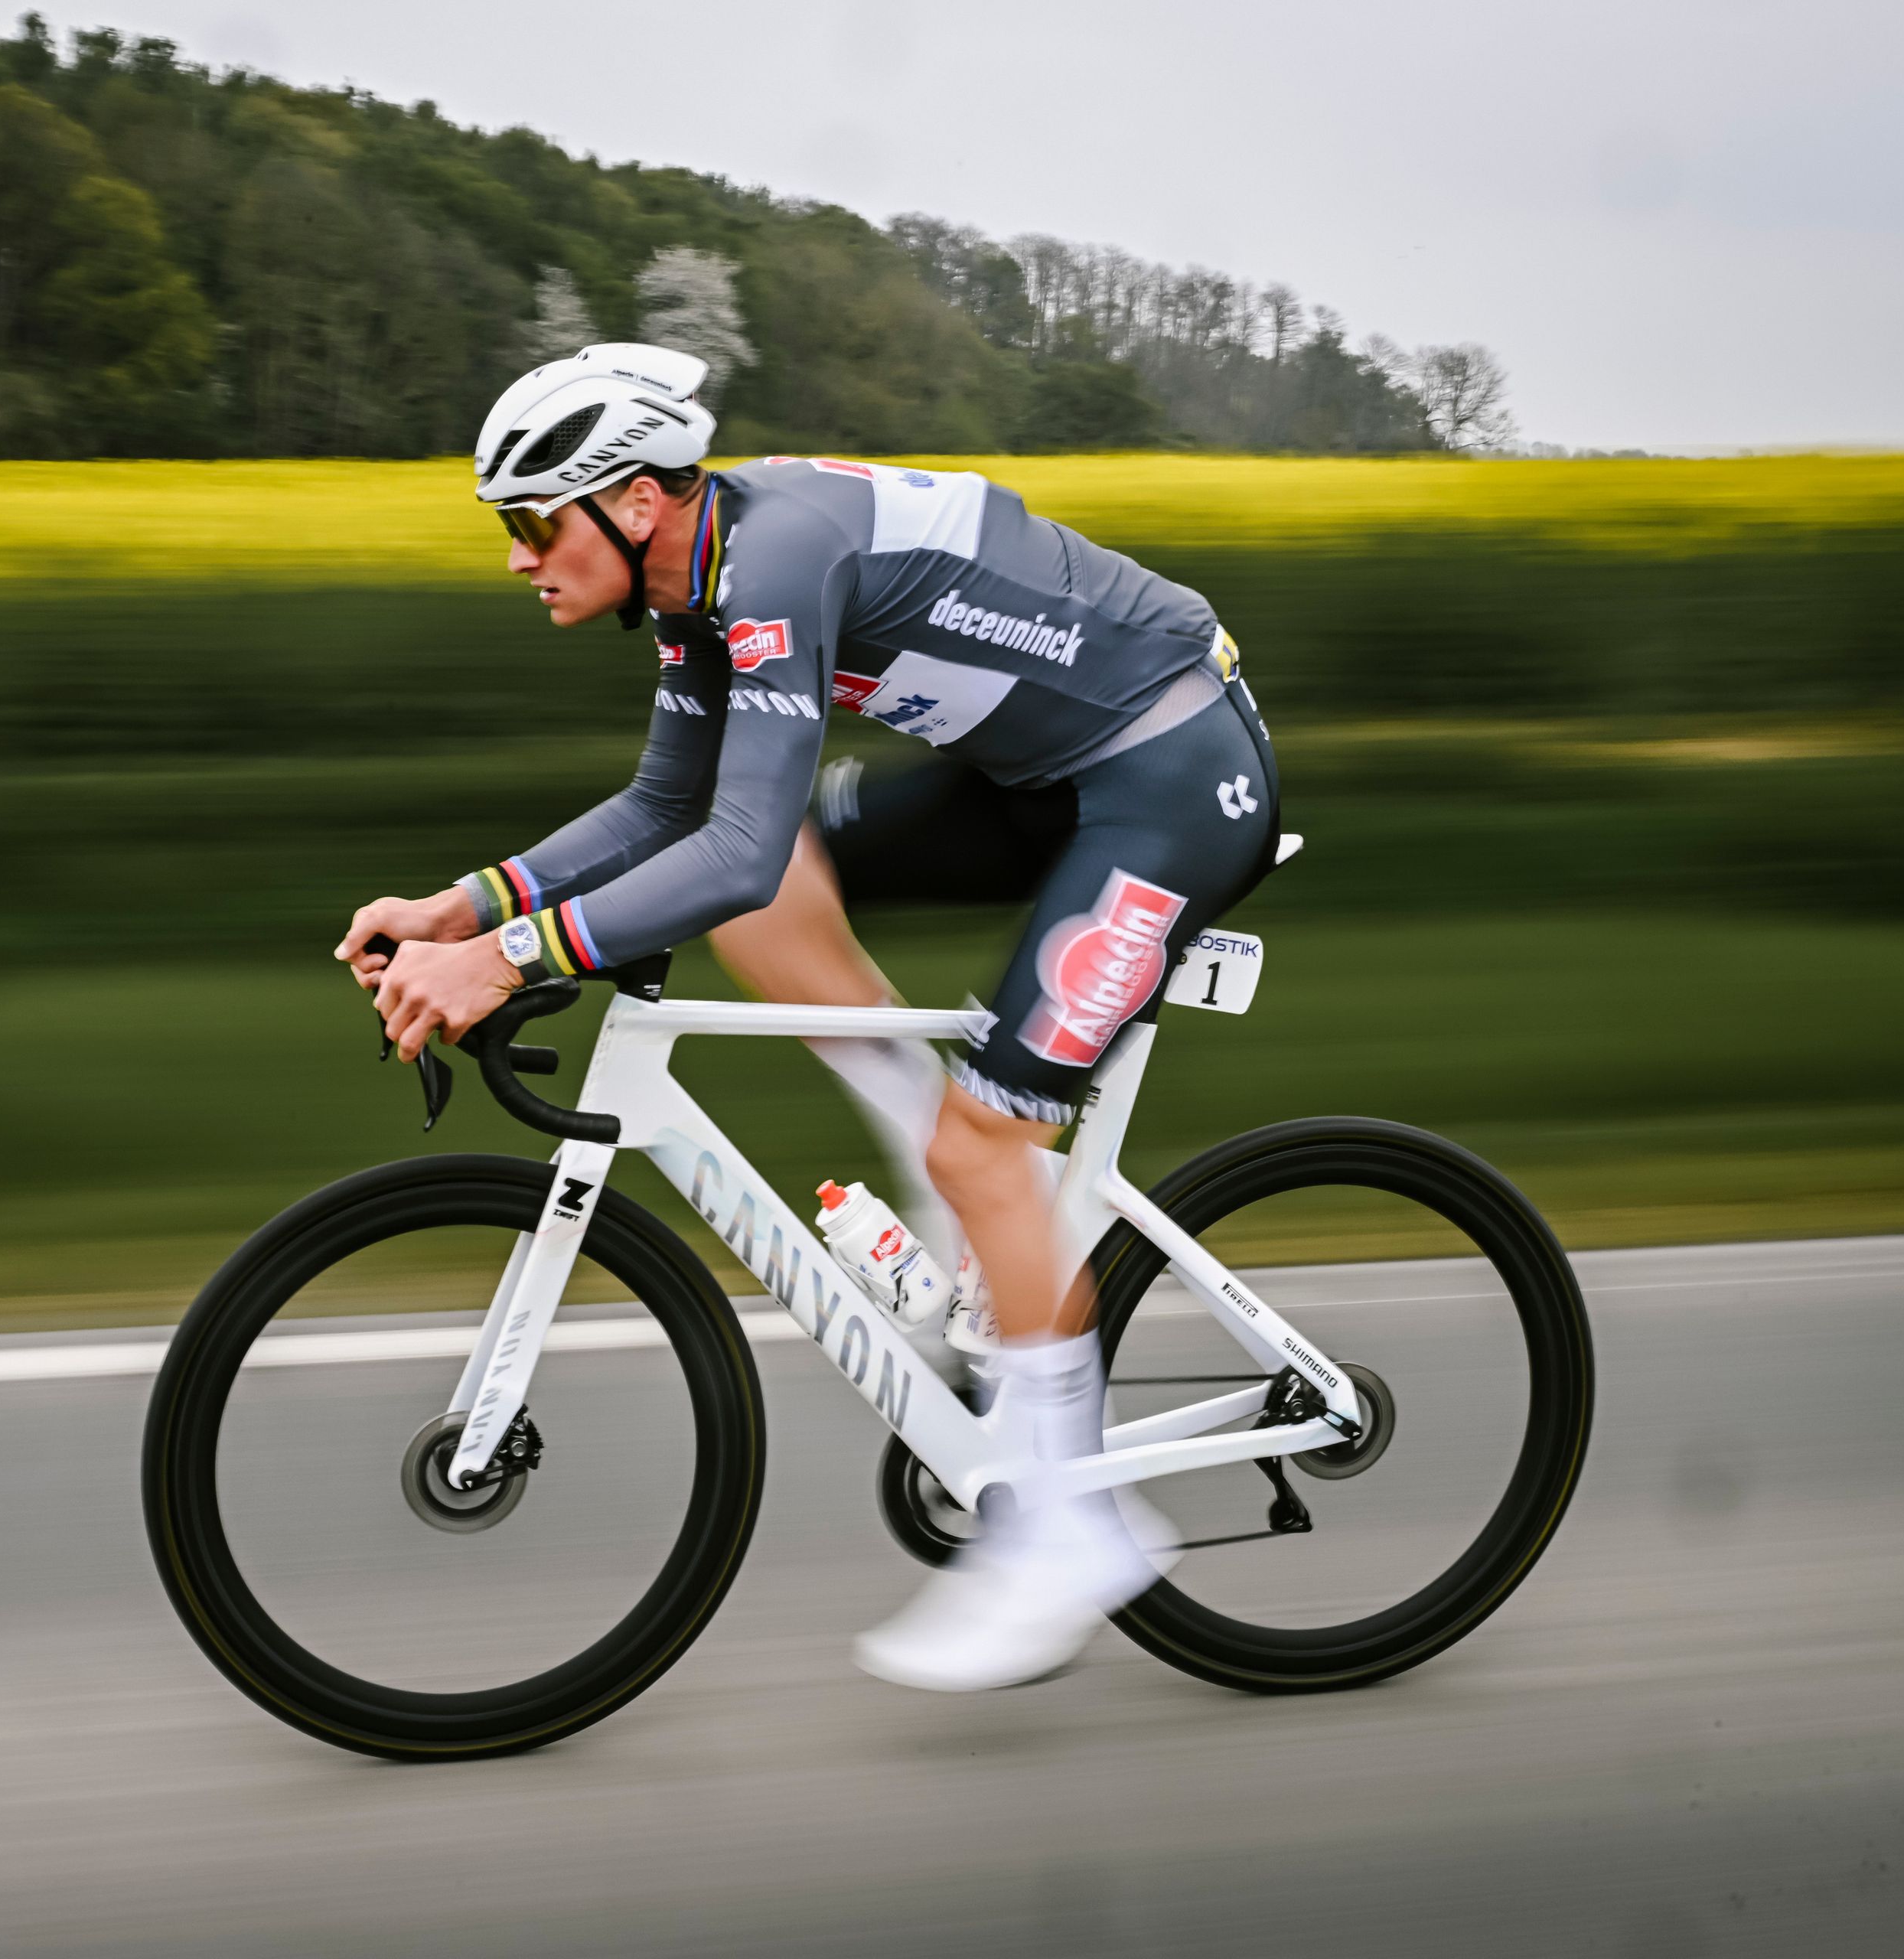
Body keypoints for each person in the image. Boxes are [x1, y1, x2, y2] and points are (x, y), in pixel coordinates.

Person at [337, 344, 1280, 1691]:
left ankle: (1074, 1526)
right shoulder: (694, 582)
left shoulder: (775, 564)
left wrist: (508, 959)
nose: (517, 558)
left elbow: (720, 841)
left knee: (976, 1134)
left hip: (1172, 776)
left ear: (637, 504)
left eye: (535, 523)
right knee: (769, 891)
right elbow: (674, 810)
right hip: (1035, 779)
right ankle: (948, 1174)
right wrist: (464, 907)